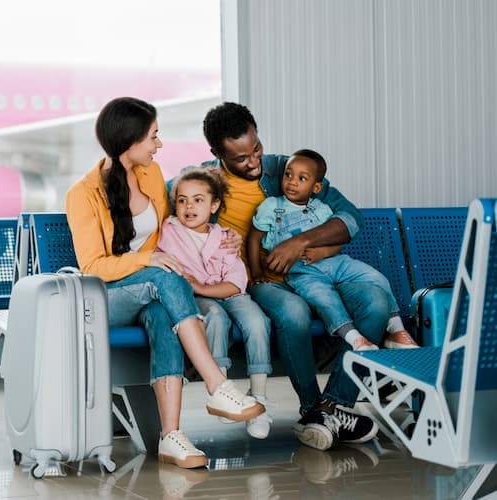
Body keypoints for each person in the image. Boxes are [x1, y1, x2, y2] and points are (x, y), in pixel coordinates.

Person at [65, 97, 265, 469]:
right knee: (162, 276)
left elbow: (192, 212)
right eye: (153, 136)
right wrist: (148, 259)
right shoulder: (82, 194)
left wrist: (226, 238)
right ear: (130, 140)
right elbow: (93, 266)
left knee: (162, 316)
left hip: (153, 291)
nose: (159, 144)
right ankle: (217, 385)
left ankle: (170, 435)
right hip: (108, 297)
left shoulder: (152, 174)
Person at [199, 101, 385, 452]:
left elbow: (351, 218)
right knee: (294, 313)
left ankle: (328, 409)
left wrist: (301, 243)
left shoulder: (287, 168)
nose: (254, 162)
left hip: (316, 269)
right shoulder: (202, 180)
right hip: (260, 280)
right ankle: (314, 408)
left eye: (257, 149)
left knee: (375, 303)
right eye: (241, 158)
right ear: (216, 153)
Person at [248, 148, 419, 352]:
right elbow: (254, 239)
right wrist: (257, 273)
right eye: (288, 175)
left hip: (336, 263)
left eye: (302, 178)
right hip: (303, 273)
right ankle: (355, 339)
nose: (292, 182)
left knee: (376, 278)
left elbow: (339, 239)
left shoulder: (321, 209)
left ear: (316, 187)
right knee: (325, 299)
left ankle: (397, 331)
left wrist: (324, 252)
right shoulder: (271, 206)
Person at [156, 166, 273, 439]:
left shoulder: (224, 237)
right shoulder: (168, 230)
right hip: (194, 299)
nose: (189, 207)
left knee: (257, 321)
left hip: (225, 292)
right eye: (182, 200)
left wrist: (201, 285)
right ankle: (222, 392)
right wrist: (197, 289)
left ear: (214, 205)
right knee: (216, 318)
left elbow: (235, 283)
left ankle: (260, 396)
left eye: (198, 200)